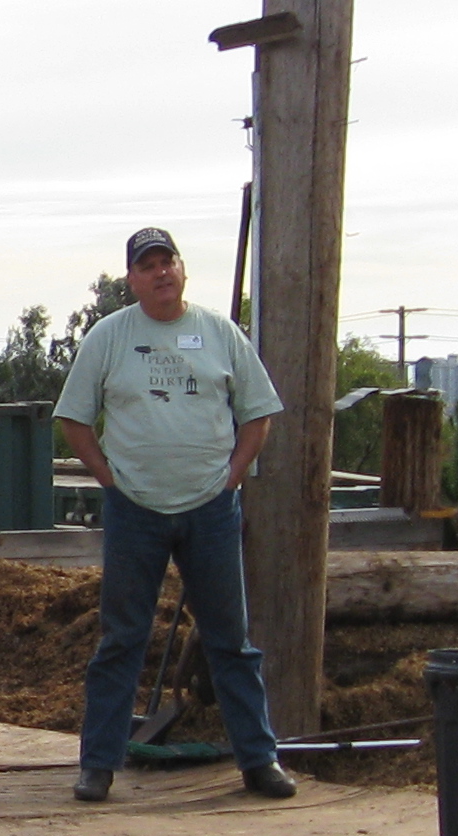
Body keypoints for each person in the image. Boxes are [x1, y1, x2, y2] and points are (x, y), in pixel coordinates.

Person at [53, 226, 297, 806]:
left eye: (169, 262)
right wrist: (109, 477)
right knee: (122, 638)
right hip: (135, 510)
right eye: (148, 266)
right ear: (131, 280)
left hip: (210, 508)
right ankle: (99, 765)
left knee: (230, 641)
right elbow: (74, 418)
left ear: (183, 270)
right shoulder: (109, 338)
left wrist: (232, 475)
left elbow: (258, 413)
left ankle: (259, 761)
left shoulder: (219, 333)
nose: (161, 273)